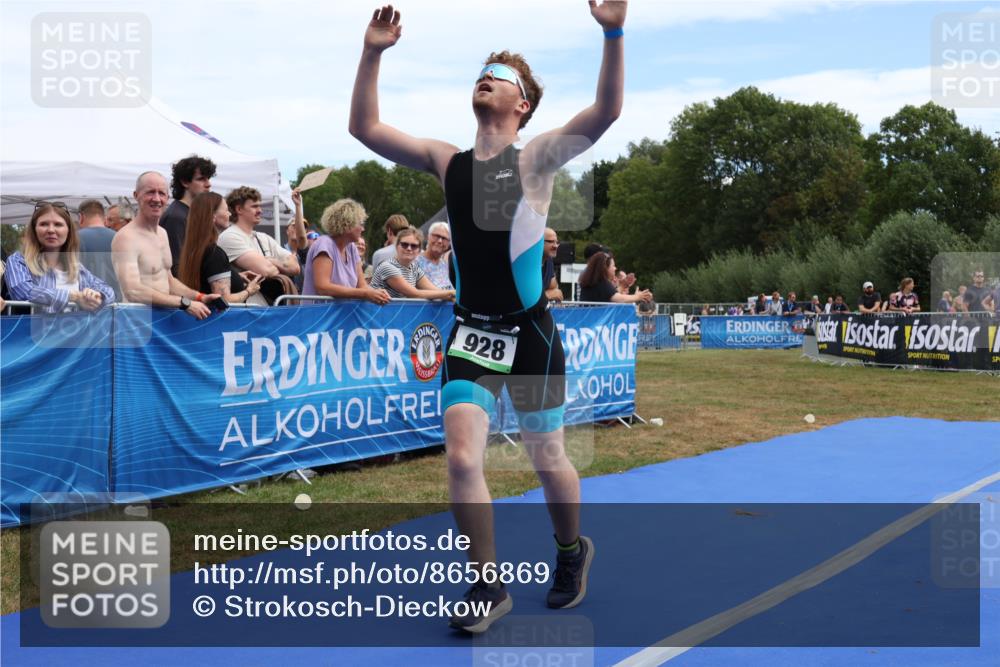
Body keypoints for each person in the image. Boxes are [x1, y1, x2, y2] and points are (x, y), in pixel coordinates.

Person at [349, 0, 626, 632]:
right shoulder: (449, 161)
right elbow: (364, 127)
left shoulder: (537, 160)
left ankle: (569, 551)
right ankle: (486, 584)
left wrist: (612, 31)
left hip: (530, 334)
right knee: (463, 457)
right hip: (470, 334)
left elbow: (606, 111)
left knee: (547, 456)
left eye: (500, 73)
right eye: (482, 69)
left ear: (522, 104)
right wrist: (373, 52)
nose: (487, 76)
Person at [111, 172, 218, 318]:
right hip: (138, 325)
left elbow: (169, 281)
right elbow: (133, 291)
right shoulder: (126, 237)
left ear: (167, 198)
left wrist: (199, 297)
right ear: (136, 195)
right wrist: (185, 303)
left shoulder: (162, 233)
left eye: (161, 193)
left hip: (162, 324)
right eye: (150, 192)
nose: (156, 199)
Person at [5, 202, 116, 313]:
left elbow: (108, 291)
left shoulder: (76, 267)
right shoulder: (18, 261)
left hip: (75, 329)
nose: (51, 230)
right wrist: (73, 297)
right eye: (44, 224)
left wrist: (96, 296)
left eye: (58, 224)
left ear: (68, 231)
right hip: (34, 330)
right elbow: (23, 291)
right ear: (34, 230)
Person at [177, 192, 264, 304]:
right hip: (219, 319)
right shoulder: (214, 253)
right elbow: (223, 300)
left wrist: (234, 276)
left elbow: (206, 278)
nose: (229, 214)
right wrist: (249, 291)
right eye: (226, 210)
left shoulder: (194, 250)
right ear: (213, 216)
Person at [218, 186, 301, 303]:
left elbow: (295, 268)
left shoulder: (264, 237)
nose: (260, 210)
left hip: (268, 309)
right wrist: (276, 264)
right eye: (254, 206)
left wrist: (271, 261)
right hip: (247, 311)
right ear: (239, 209)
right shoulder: (230, 236)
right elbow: (267, 270)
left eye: (260, 206)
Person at [301, 198, 390, 304]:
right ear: (346, 225)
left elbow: (362, 286)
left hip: (341, 316)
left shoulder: (351, 248)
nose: (363, 229)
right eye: (360, 224)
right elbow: (322, 287)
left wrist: (378, 294)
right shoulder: (324, 244)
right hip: (319, 316)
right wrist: (366, 294)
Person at [160, 155, 217, 276]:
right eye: (201, 179)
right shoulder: (175, 217)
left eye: (208, 178)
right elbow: (176, 266)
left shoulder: (191, 213)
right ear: (185, 182)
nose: (208, 184)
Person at [370, 227, 456, 300]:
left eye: (414, 246)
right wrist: (450, 293)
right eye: (404, 244)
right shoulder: (387, 267)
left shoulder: (414, 268)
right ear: (396, 246)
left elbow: (434, 290)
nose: (409, 248)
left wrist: (450, 295)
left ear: (419, 250)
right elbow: (415, 294)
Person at [77, 199, 122, 301]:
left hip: (88, 302)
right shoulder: (119, 238)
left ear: (81, 217)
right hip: (116, 303)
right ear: (104, 218)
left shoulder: (74, 238)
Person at [578, 252, 650, 304]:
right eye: (613, 266)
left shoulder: (592, 282)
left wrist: (623, 286)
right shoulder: (602, 283)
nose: (615, 268)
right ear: (605, 267)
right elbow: (619, 299)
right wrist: (638, 296)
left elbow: (609, 295)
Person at [416, 221, 454, 289]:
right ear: (428, 237)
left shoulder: (444, 264)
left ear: (449, 243)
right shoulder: (415, 262)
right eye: (437, 236)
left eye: (444, 238)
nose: (440, 241)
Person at [540, 227, 563, 302]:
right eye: (551, 242)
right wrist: (548, 295)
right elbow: (524, 298)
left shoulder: (549, 260)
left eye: (557, 242)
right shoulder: (528, 263)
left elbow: (553, 288)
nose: (555, 246)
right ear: (539, 242)